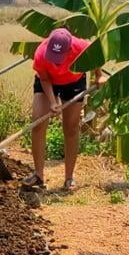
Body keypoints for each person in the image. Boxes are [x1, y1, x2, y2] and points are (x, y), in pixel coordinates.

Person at [27, 26, 92, 192]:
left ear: (69, 50)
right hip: (48, 81)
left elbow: (96, 57)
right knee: (37, 123)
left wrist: (99, 76)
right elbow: (44, 79)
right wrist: (52, 101)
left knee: (71, 128)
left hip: (73, 81)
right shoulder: (41, 53)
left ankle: (69, 178)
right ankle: (38, 175)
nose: (56, 62)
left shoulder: (81, 47)